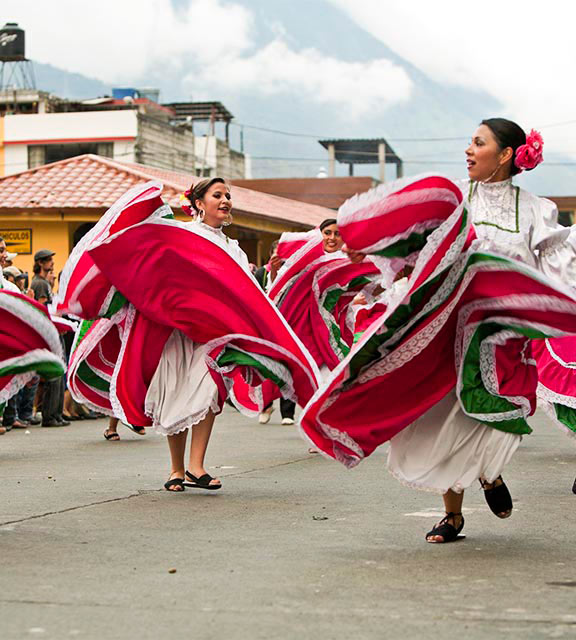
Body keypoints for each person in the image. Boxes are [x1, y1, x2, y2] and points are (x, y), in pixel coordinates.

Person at [300, 119, 576, 543]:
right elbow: (417, 253)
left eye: (478, 143)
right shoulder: (451, 203)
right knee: (437, 416)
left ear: (505, 155)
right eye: (470, 141)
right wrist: (373, 273)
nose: (468, 149)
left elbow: (558, 270)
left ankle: (489, 472)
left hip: (500, 340)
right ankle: (452, 515)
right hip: (445, 332)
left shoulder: (537, 210)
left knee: (491, 418)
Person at [56, 178, 320, 493]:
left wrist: (272, 278)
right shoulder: (181, 235)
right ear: (198, 203)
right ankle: (176, 469)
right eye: (218, 195)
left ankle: (197, 466)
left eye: (228, 196)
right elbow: (154, 274)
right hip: (176, 334)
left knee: (210, 392)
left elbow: (246, 297)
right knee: (174, 396)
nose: (225, 201)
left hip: (213, 338)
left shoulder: (232, 248)